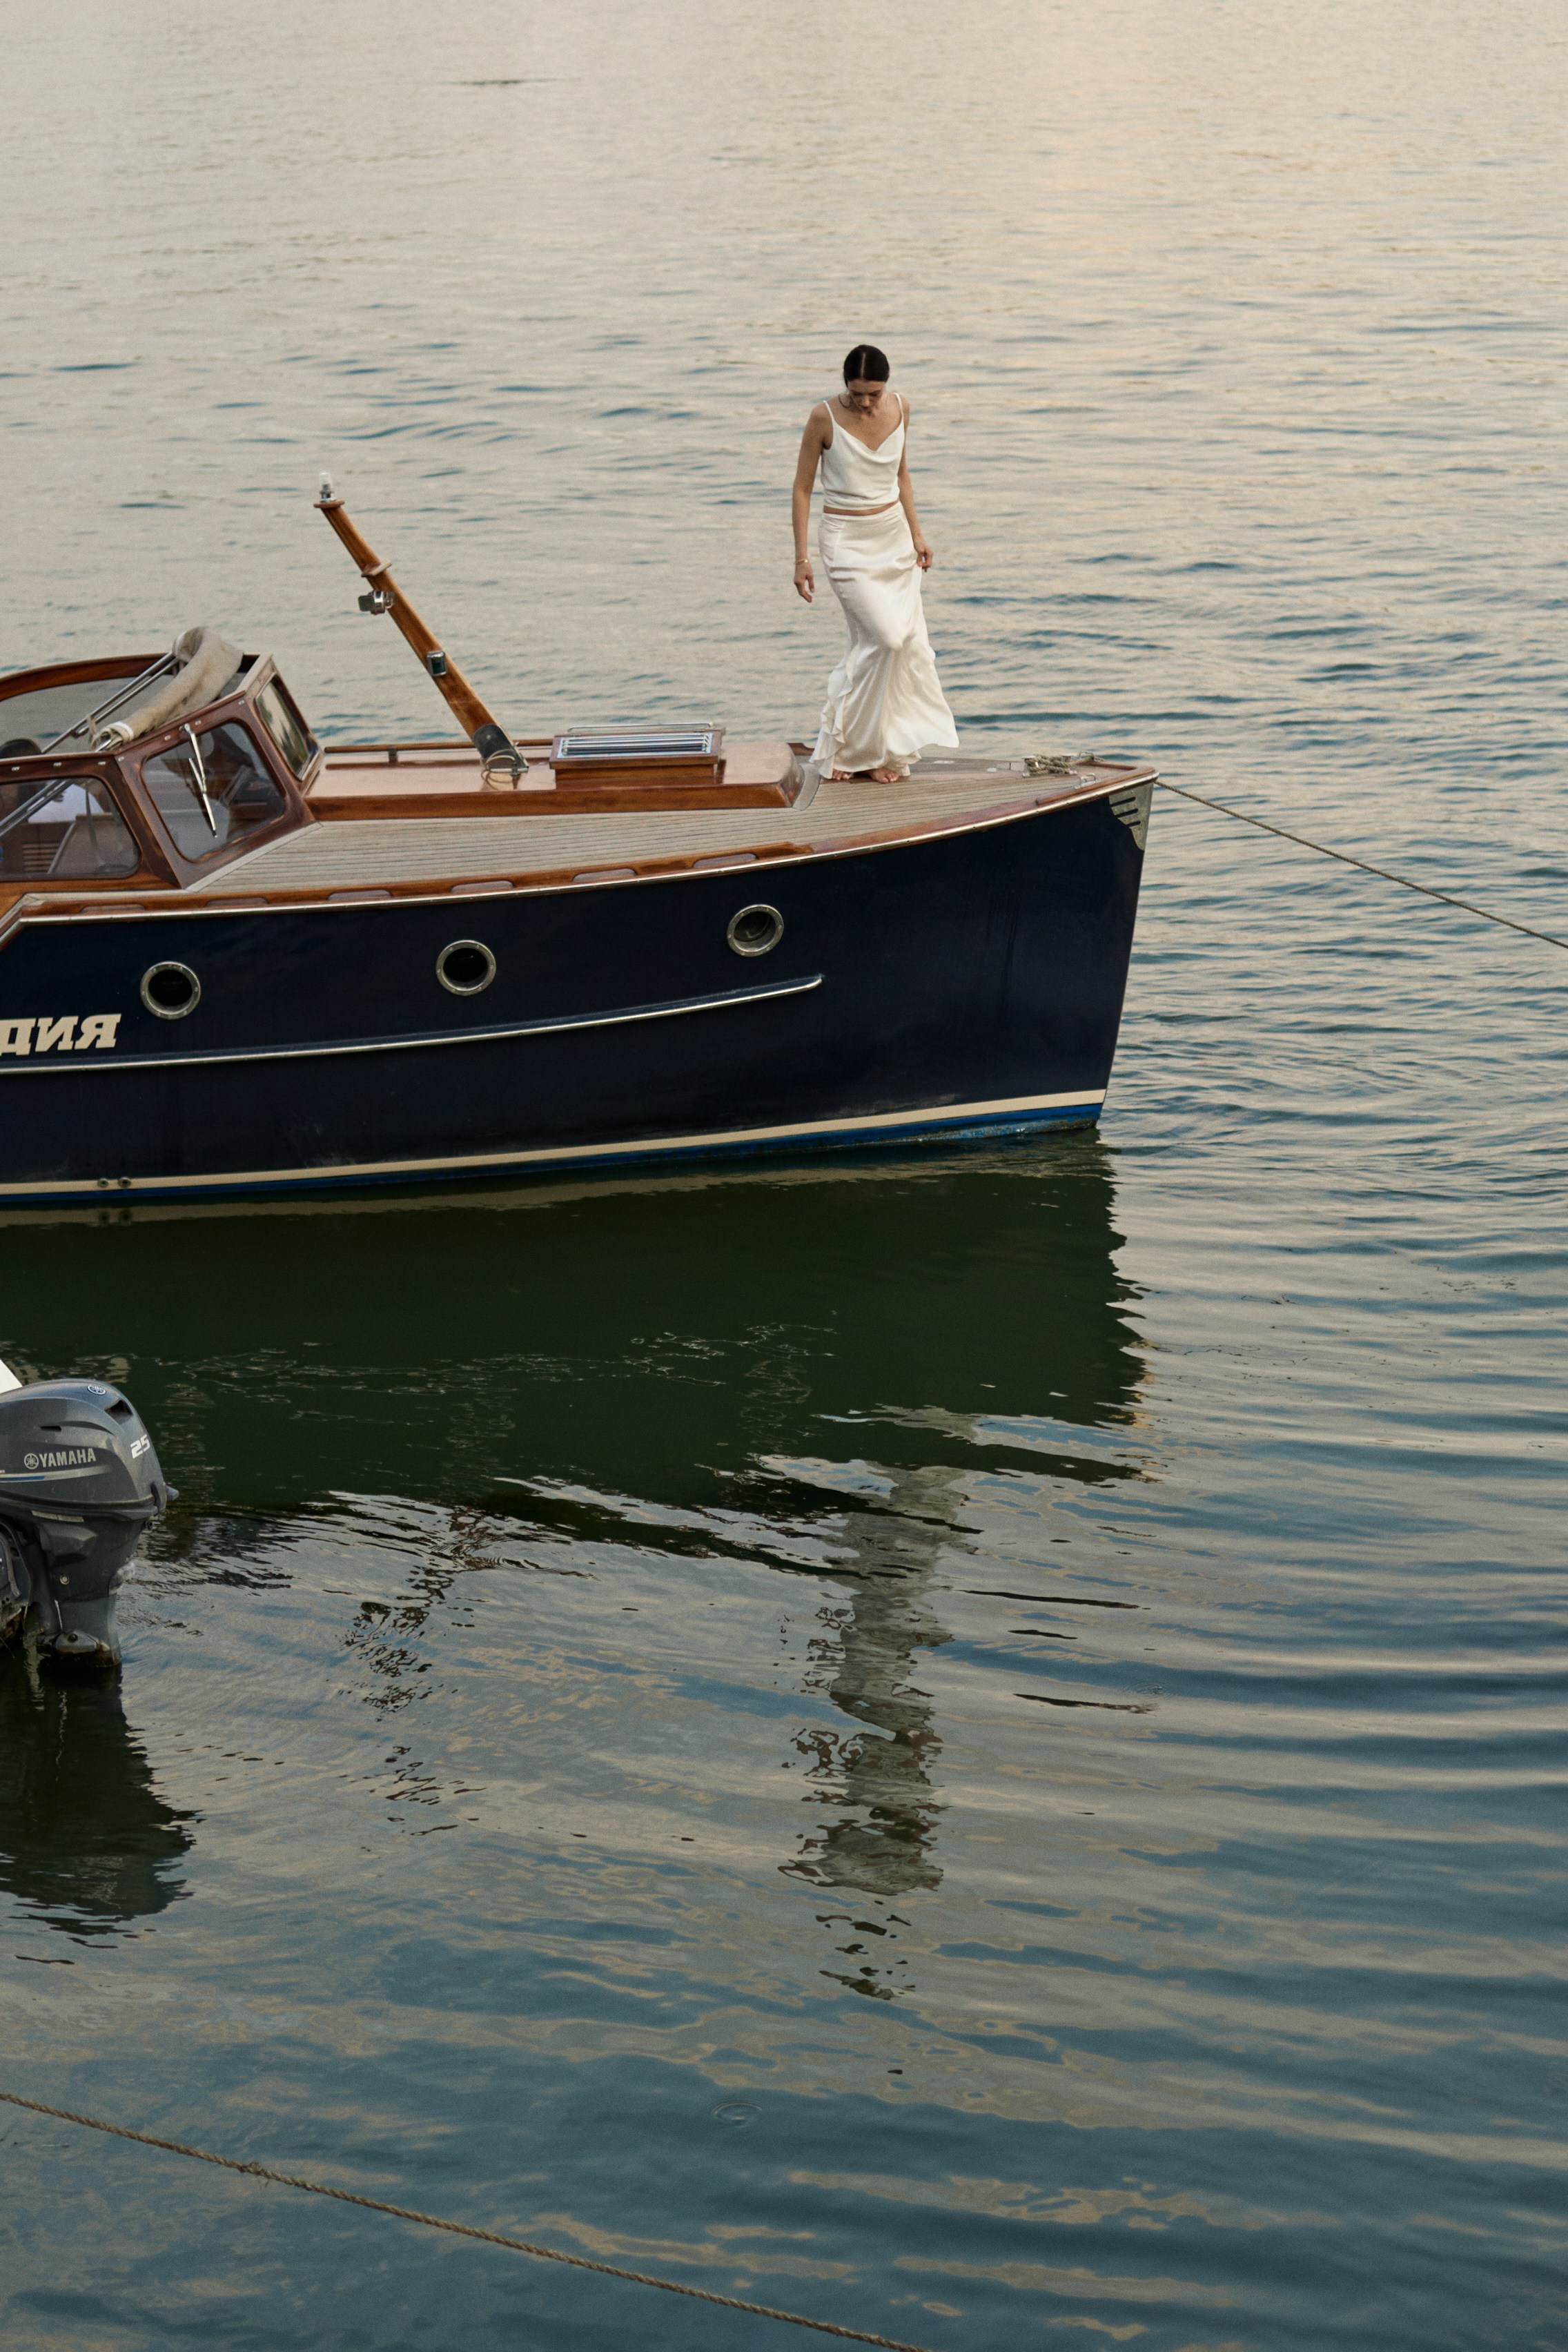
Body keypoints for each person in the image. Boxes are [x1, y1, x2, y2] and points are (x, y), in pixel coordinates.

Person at [792, 344, 959, 783]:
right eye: (856, 393)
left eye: (874, 393)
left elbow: (901, 474)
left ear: (887, 386)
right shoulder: (823, 417)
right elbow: (803, 489)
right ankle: (849, 751)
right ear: (845, 384)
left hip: (894, 540)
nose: (865, 403)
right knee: (883, 639)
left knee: (899, 646)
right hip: (847, 543)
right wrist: (801, 558)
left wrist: (918, 535)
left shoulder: (902, 408)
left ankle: (874, 751)